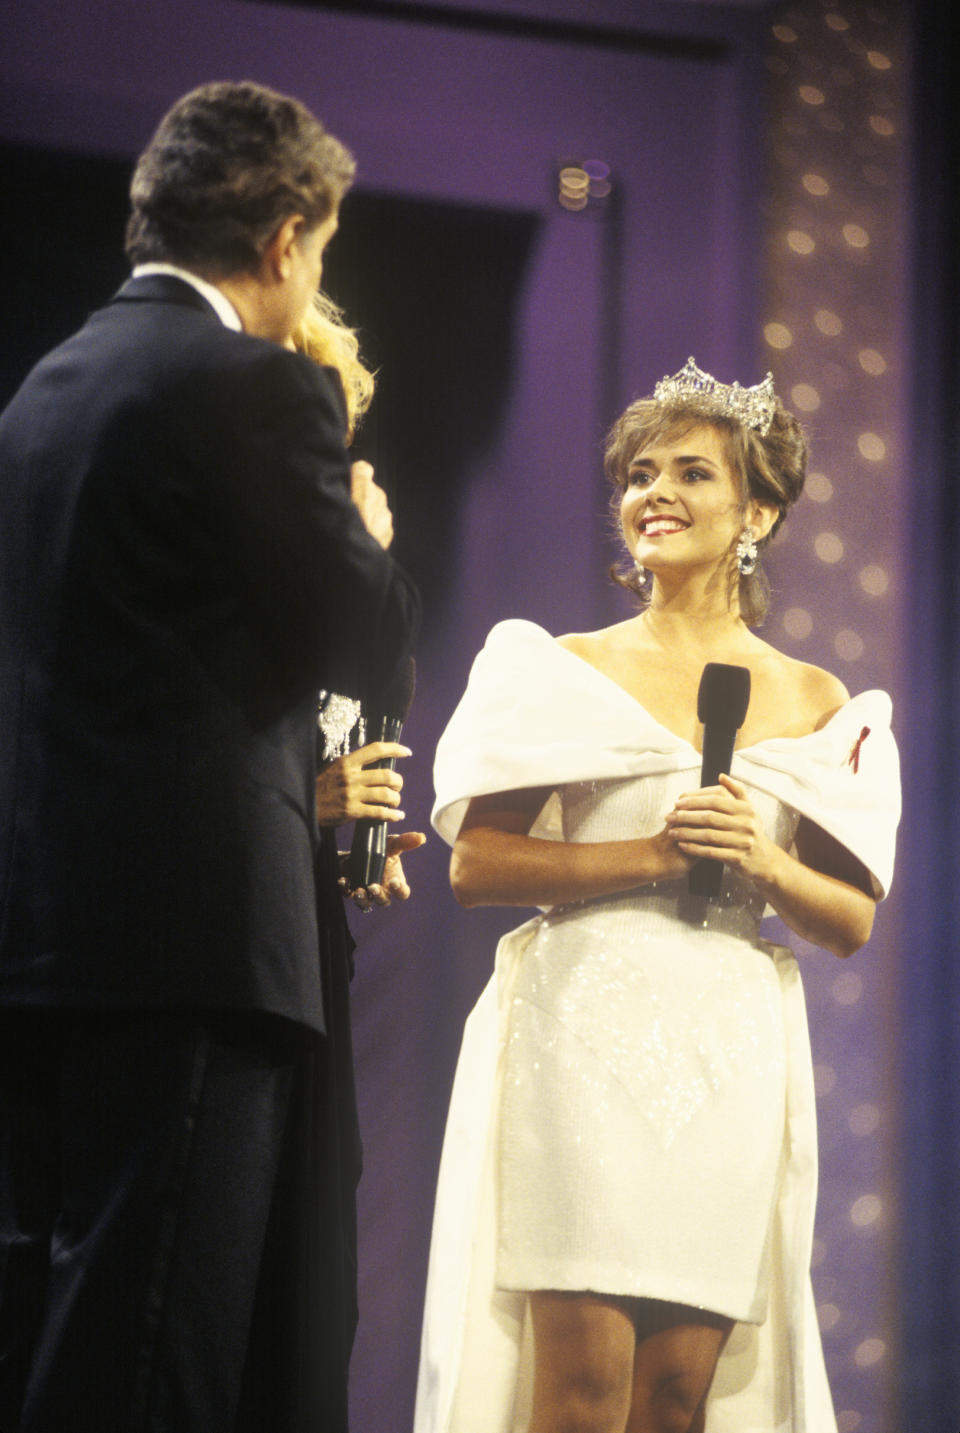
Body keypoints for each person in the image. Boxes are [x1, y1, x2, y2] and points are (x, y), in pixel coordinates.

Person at [0, 81, 420, 1433]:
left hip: (47, 936)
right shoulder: (253, 383)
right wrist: (364, 537)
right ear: (291, 235)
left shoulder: (44, 390)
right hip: (191, 945)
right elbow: (358, 637)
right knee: (160, 1345)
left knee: (65, 1317)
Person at [414, 359, 900, 1433]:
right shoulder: (562, 668)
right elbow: (477, 863)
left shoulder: (822, 701)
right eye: (639, 474)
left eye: (691, 472)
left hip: (727, 1043)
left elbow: (852, 919)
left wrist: (767, 865)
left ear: (756, 512)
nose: (654, 493)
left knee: (677, 1398)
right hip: (581, 1029)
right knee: (583, 1391)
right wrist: (654, 851)